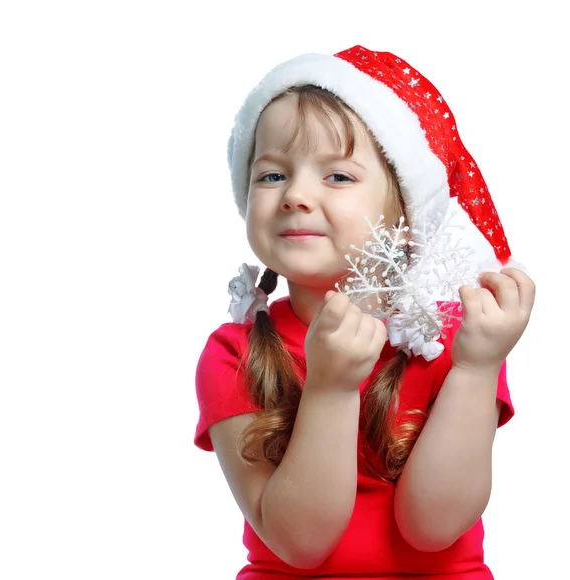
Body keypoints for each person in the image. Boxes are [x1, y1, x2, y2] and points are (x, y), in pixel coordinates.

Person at [193, 45, 535, 579]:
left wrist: (477, 368)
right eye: (271, 175)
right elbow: (299, 543)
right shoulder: (235, 352)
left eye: (338, 177)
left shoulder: (457, 339)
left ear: (403, 207)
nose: (295, 195)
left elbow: (434, 526)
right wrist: (330, 387)